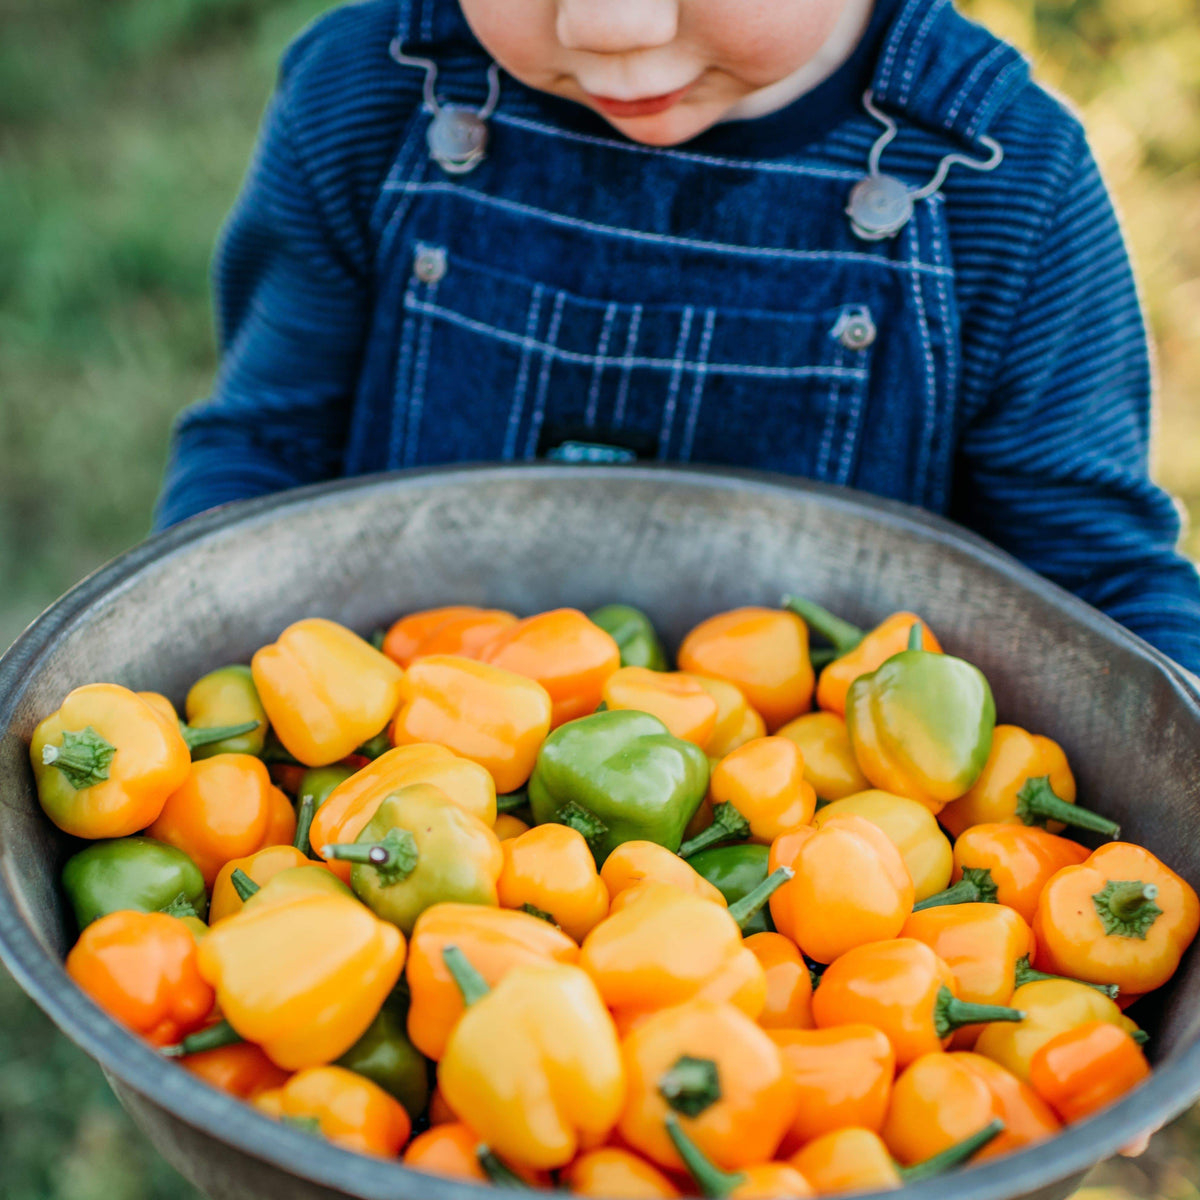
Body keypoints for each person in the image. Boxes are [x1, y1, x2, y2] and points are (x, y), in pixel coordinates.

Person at [153, 0, 1200, 675]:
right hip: (379, 822)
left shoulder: (1002, 182)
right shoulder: (369, 98)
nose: (613, 24)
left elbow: (1090, 589)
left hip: (833, 891)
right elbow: (263, 462)